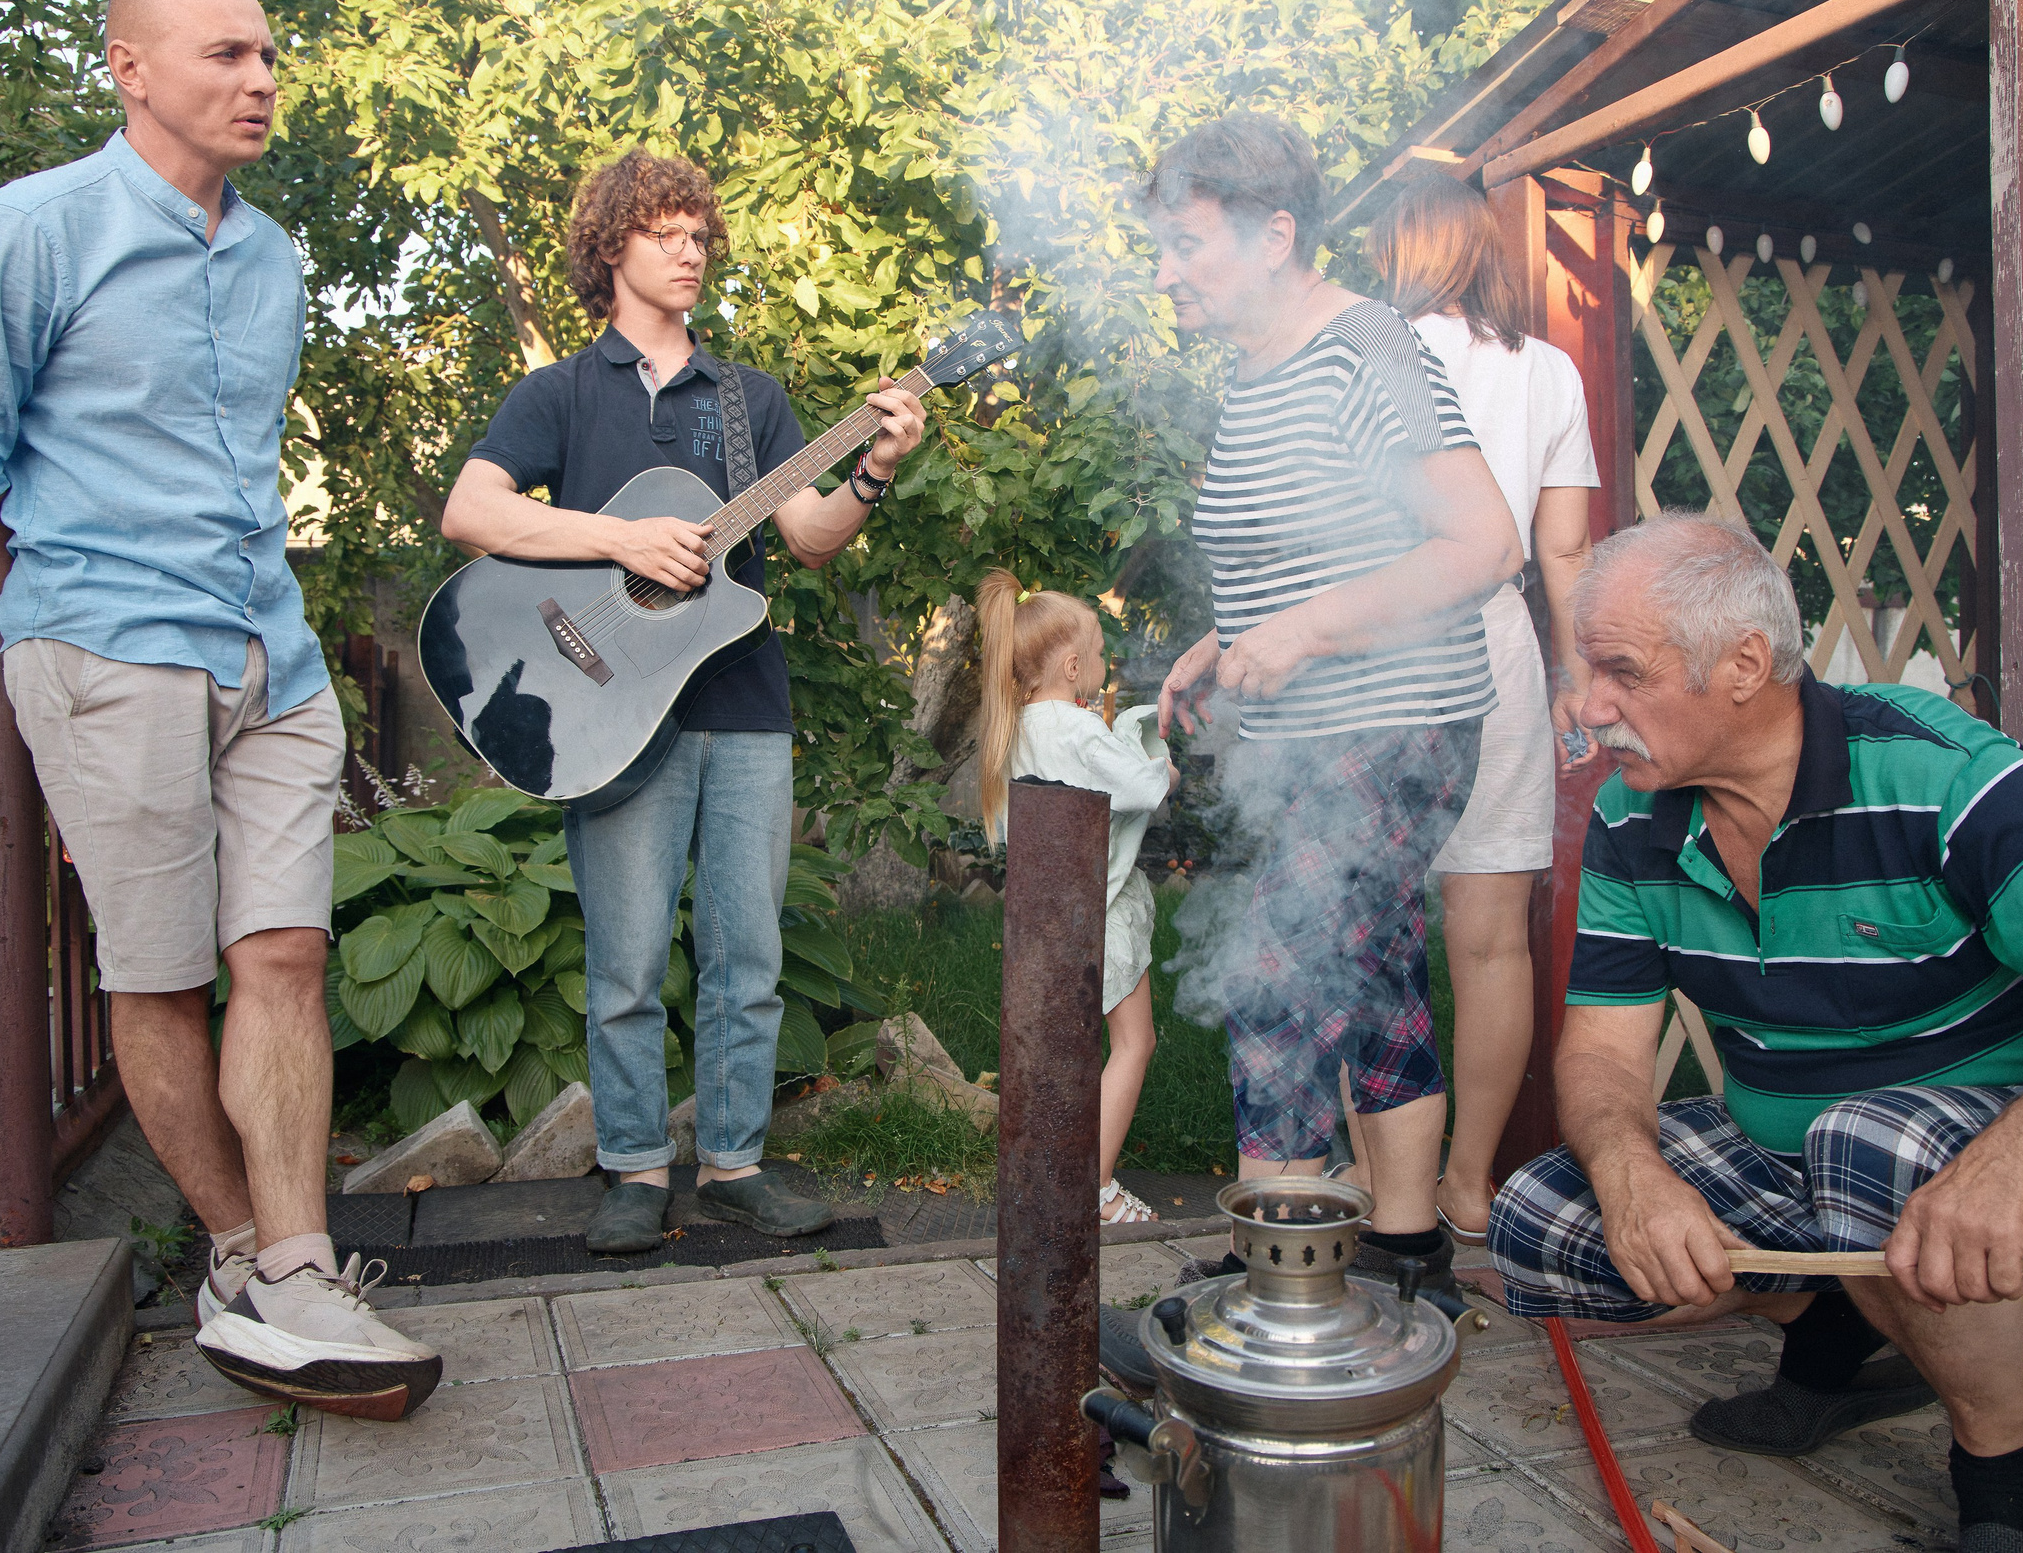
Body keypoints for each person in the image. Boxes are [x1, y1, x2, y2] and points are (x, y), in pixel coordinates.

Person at [1488, 512, 2023, 1553]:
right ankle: (1839, 1322)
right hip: (1809, 1157)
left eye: (1621, 672)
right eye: (1587, 671)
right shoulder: (1633, 818)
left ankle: (2004, 1478)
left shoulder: (1936, 775)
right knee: (1541, 1218)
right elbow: (1601, 1049)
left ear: (1744, 666)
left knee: (1869, 1147)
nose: (1590, 707)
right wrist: (1635, 1177)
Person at [0, 0, 442, 1419]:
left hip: (271, 653)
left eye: (268, 55)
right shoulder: (30, 234)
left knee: (288, 955)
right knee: (159, 975)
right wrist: (58, 611)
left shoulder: (271, 259)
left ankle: (300, 1264)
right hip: (109, 651)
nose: (260, 81)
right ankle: (244, 1256)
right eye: (224, 55)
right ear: (130, 67)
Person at [438, 150, 931, 1254]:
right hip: (606, 713)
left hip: (743, 709)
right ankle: (632, 1168)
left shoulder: (750, 400)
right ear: (610, 246)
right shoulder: (561, 392)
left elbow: (808, 537)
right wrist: (619, 540)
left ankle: (735, 1164)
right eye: (665, 232)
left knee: (745, 959)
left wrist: (873, 471)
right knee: (624, 963)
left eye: (700, 234)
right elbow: (471, 511)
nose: (690, 250)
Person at [1148, 112, 1522, 1268]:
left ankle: (1274, 1272)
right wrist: (1225, 636)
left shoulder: (1363, 347)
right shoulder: (1258, 366)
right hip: (1317, 733)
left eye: (1185, 245)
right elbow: (1321, 541)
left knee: (1278, 970)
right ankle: (1407, 1252)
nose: (1163, 274)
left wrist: (1303, 633)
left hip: (1397, 722)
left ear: (1274, 235)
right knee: (1373, 973)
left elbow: (1484, 542)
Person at [1362, 173, 1601, 1245]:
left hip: (1374, 640)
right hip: (1498, 646)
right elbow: (1565, 548)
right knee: (1493, 938)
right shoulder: (1547, 370)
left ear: (1400, 249)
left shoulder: (1362, 352)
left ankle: (1379, 1179)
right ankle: (1466, 1184)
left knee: (1363, 927)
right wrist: (1574, 673)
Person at [974, 570, 1178, 1225]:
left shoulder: (1016, 729)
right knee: (1134, 1042)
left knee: (1065, 1054)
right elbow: (1142, 790)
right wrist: (1165, 768)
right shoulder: (1076, 728)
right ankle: (1095, 1187)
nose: (1104, 663)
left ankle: (1051, 1179)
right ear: (1071, 666)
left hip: (1049, 921)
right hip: (1102, 914)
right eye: (1098, 652)